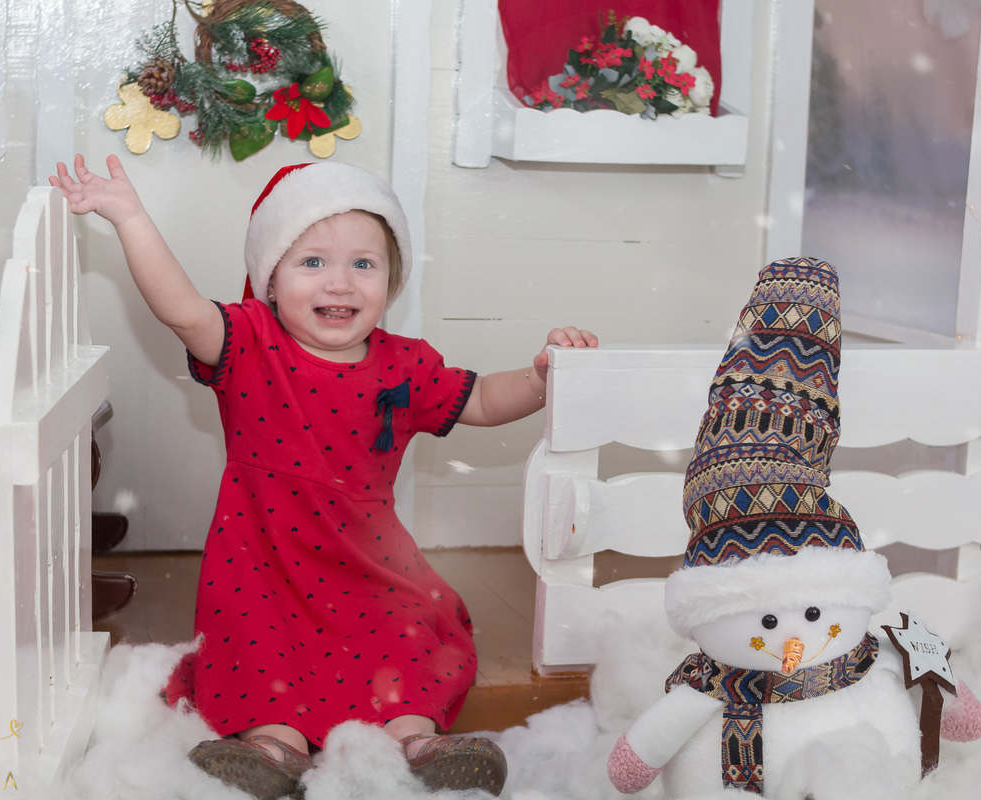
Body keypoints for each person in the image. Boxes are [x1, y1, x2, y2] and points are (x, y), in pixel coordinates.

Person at [51, 155, 599, 798]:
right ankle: (269, 745)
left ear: (392, 284)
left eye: (363, 265)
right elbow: (180, 309)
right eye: (312, 262)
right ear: (271, 280)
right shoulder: (248, 343)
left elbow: (479, 399)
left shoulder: (405, 364)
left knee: (408, 639)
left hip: (372, 570)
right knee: (260, 651)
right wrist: (130, 216)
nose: (339, 283)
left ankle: (414, 740)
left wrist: (539, 377)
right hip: (264, 567)